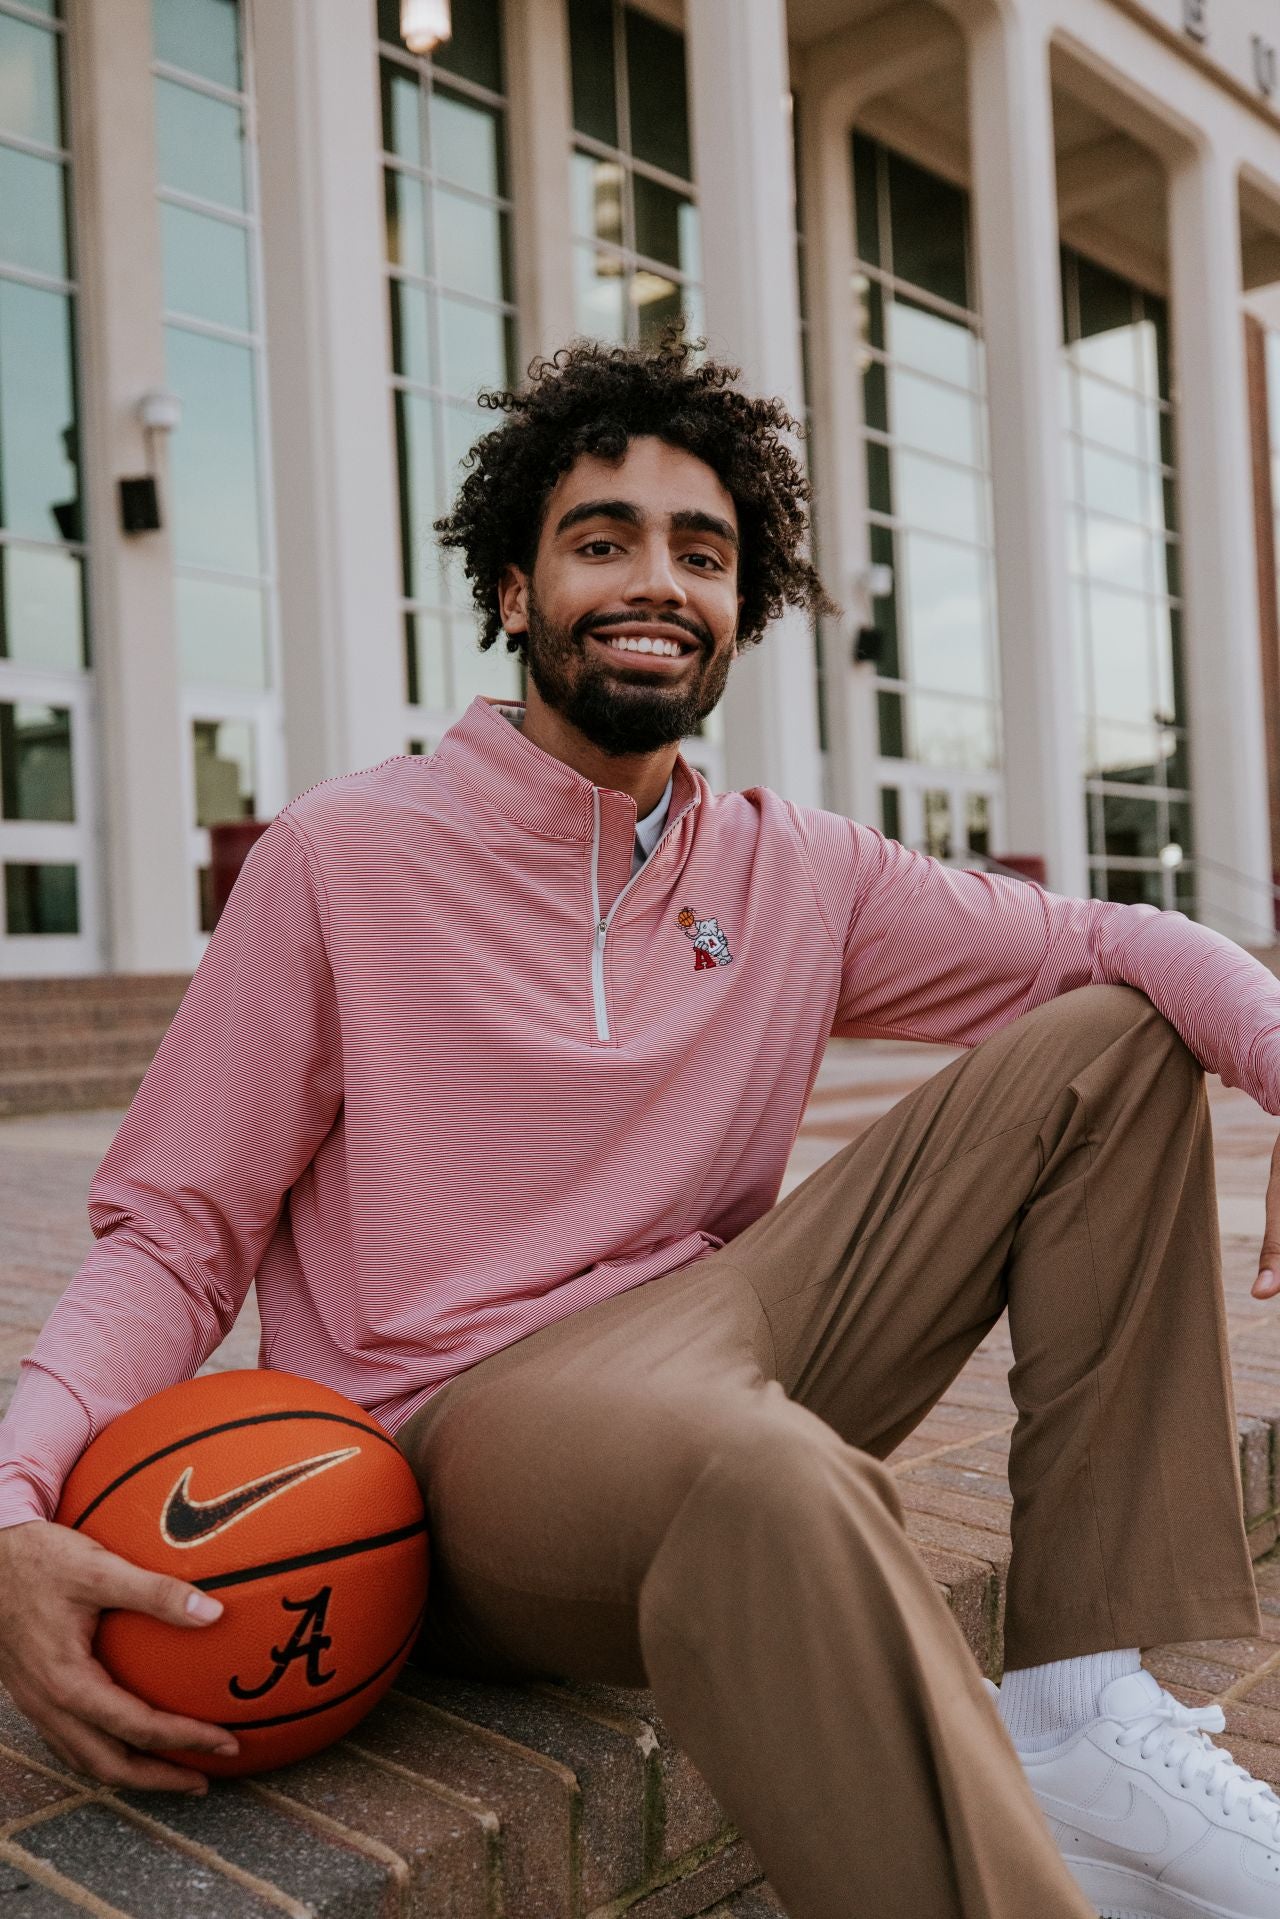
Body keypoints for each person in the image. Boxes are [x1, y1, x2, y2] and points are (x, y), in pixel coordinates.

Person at [1, 334, 1279, 1919]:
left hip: (723, 1329)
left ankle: (1085, 1716)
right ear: (515, 591)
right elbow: (178, 1232)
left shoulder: (793, 867)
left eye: (702, 551)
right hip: (465, 1420)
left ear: (745, 610)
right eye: (600, 540)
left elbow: (1120, 944)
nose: (653, 580)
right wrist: (12, 1507)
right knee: (765, 1476)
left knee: (1110, 1044)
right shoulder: (344, 857)